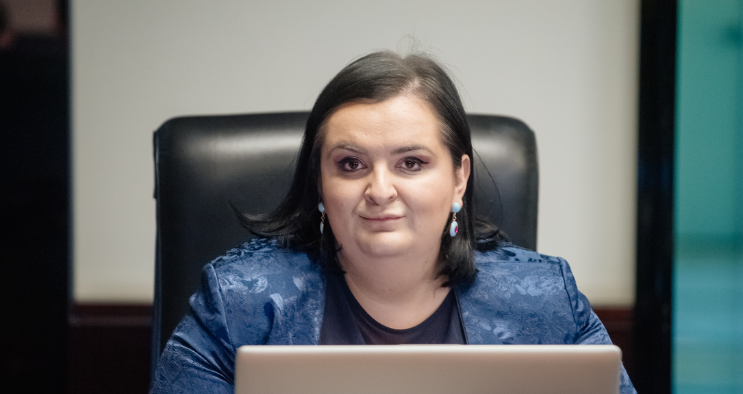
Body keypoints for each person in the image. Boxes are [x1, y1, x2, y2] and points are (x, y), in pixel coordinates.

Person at [149, 51, 636, 393]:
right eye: (350, 164)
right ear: (319, 184)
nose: (380, 190)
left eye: (411, 163)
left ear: (459, 179)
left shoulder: (548, 303)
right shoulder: (238, 305)